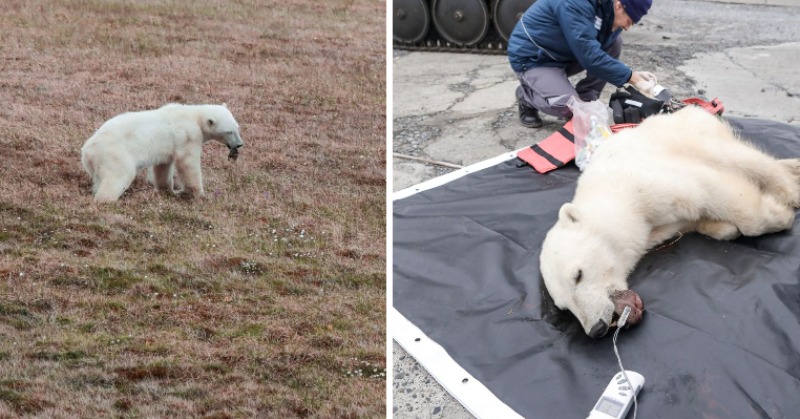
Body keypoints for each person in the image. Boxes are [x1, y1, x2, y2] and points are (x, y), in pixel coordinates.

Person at [507, 0, 655, 128]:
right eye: (628, 21)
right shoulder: (575, 3)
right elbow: (590, 55)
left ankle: (586, 98)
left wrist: (630, 73)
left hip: (564, 53)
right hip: (534, 57)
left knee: (614, 43)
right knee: (567, 106)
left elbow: (596, 50)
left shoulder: (608, 10)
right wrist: (632, 77)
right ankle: (526, 96)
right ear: (618, 5)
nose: (627, 27)